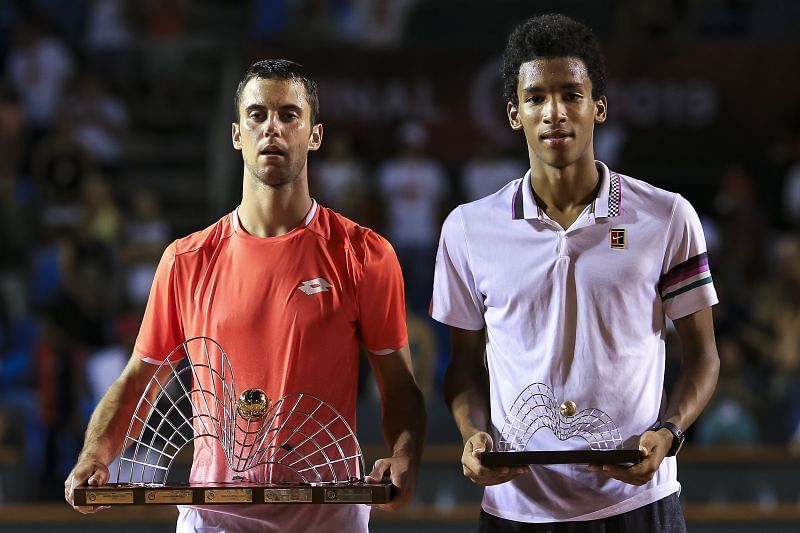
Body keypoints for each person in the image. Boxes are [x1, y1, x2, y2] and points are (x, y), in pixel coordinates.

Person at [64, 59, 426, 532]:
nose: (272, 127)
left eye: (289, 115)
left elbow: (398, 383)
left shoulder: (364, 254)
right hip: (214, 517)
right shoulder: (186, 259)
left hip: (326, 515)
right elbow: (138, 379)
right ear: (237, 134)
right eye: (257, 115)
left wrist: (404, 455)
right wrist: (95, 453)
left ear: (314, 135)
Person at [430, 14, 719, 532]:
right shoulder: (468, 229)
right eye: (537, 97)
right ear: (514, 114)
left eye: (571, 94)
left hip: (636, 503)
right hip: (514, 509)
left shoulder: (667, 216)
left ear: (598, 107)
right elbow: (463, 367)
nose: (555, 112)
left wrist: (669, 433)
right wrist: (472, 433)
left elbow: (703, 357)